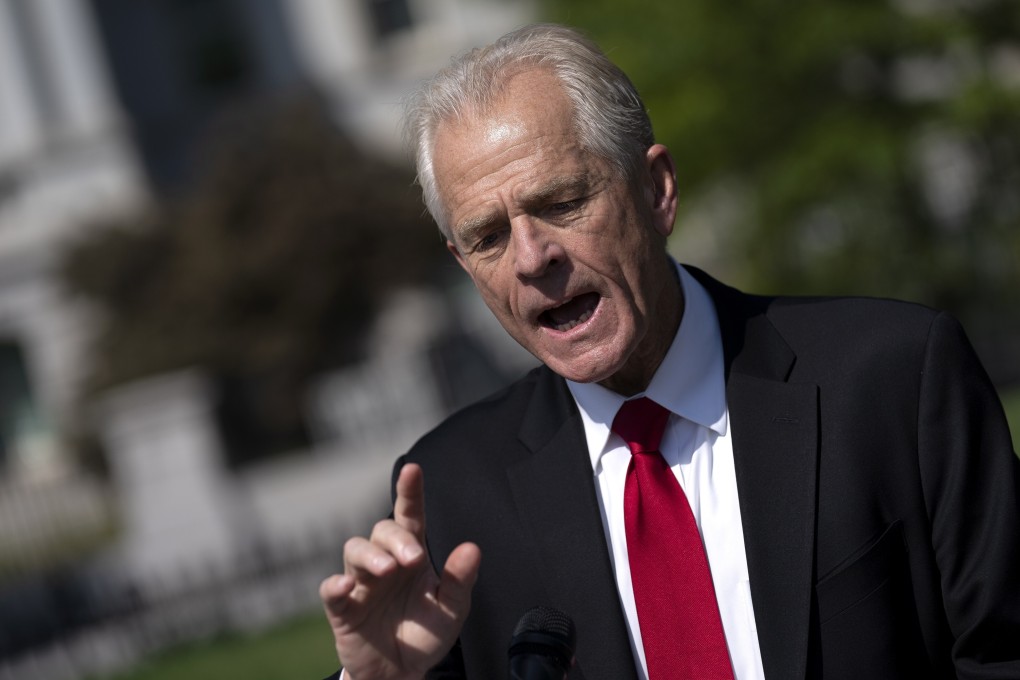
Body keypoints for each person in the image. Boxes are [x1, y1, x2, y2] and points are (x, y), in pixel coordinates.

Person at [319, 23, 1020, 680]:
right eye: (489, 237)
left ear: (656, 191)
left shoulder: (894, 379)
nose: (532, 258)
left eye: (561, 202)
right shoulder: (449, 494)